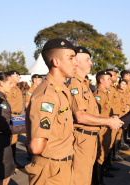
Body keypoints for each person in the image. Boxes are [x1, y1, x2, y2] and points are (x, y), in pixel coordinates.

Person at [67, 46, 123, 185]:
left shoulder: (84, 84)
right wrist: (108, 121)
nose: (91, 63)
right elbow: (80, 116)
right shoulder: (75, 84)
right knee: (79, 179)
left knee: (87, 177)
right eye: (87, 60)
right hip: (82, 138)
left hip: (89, 137)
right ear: (77, 61)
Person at [25, 38, 77, 185]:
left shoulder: (61, 89)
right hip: (50, 170)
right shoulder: (47, 95)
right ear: (56, 62)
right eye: (71, 58)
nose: (75, 62)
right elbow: (36, 147)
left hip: (61, 166)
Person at [0, 72, 25, 185]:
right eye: (9, 83)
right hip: (0, 140)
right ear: (1, 84)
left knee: (7, 172)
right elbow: (6, 128)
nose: (12, 85)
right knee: (2, 175)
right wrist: (26, 127)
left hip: (0, 139)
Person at [92, 71, 113, 185]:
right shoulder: (98, 95)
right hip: (101, 129)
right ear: (101, 80)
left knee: (102, 154)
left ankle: (100, 179)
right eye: (108, 79)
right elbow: (96, 114)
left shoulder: (105, 93)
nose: (111, 81)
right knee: (98, 155)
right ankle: (97, 181)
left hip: (106, 128)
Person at [6, 70, 24, 169]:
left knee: (14, 140)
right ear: (11, 76)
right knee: (10, 141)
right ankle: (9, 164)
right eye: (17, 76)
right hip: (11, 116)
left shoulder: (16, 87)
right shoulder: (10, 87)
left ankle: (13, 162)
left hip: (17, 117)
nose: (19, 78)